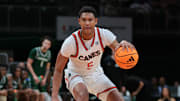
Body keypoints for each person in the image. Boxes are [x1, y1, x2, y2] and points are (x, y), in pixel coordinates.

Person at [52, 6, 135, 101]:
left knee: (118, 99)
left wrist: (123, 46)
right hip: (76, 74)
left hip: (96, 74)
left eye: (90, 20)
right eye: (84, 20)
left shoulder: (104, 34)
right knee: (83, 95)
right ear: (79, 21)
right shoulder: (71, 42)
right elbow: (58, 69)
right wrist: (54, 95)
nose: (87, 23)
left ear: (96, 21)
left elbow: (117, 49)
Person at [27, 36, 52, 101]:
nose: (46, 45)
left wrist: (45, 79)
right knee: (36, 94)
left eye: (48, 44)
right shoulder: (35, 50)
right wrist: (34, 76)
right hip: (34, 76)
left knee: (42, 96)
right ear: (42, 43)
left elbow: (48, 68)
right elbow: (28, 64)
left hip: (42, 77)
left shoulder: (49, 53)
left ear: (50, 46)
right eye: (45, 43)